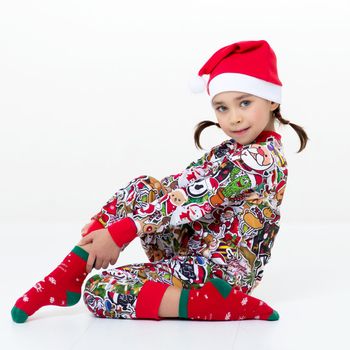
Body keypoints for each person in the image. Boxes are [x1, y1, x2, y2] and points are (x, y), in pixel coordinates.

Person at [11, 39, 309, 323]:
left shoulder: (260, 159)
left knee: (99, 291)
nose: (233, 118)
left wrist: (121, 231)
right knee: (145, 187)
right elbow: (177, 186)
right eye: (222, 107)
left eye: (244, 103)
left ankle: (211, 303)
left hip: (222, 274)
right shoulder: (229, 150)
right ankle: (73, 268)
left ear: (272, 99)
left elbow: (195, 198)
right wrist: (105, 226)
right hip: (192, 254)